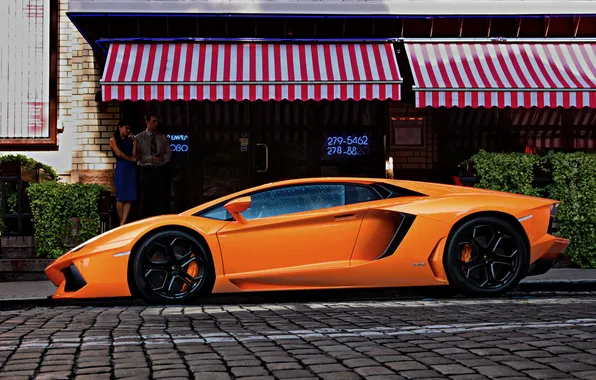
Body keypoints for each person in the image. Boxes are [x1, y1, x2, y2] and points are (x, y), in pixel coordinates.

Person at [135, 113, 172, 218]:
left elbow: (168, 152)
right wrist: (151, 158)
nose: (156, 124)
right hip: (146, 170)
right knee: (146, 198)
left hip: (160, 170)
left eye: (157, 121)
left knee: (160, 198)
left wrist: (162, 160)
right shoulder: (139, 137)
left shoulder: (162, 137)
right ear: (147, 122)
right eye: (153, 121)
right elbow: (137, 156)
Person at [109, 119, 138, 226]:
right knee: (121, 197)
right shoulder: (113, 139)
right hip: (122, 168)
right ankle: (122, 222)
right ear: (119, 127)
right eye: (126, 128)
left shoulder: (129, 140)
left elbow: (134, 155)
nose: (127, 130)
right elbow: (119, 153)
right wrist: (130, 160)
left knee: (129, 197)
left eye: (129, 129)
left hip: (131, 170)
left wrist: (134, 142)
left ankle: (123, 222)